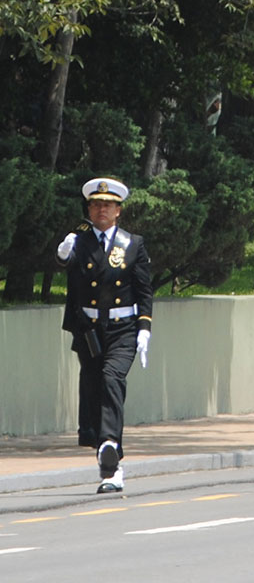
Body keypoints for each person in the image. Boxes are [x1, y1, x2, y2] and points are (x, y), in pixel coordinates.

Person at [56, 177, 154, 494]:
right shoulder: (80, 241)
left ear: (118, 211)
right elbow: (67, 263)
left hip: (122, 329)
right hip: (89, 330)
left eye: (108, 205)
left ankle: (110, 449)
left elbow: (143, 289)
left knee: (113, 379)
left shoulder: (132, 244)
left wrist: (144, 328)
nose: (102, 209)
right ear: (89, 208)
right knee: (95, 387)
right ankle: (108, 459)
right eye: (96, 204)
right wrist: (61, 255)